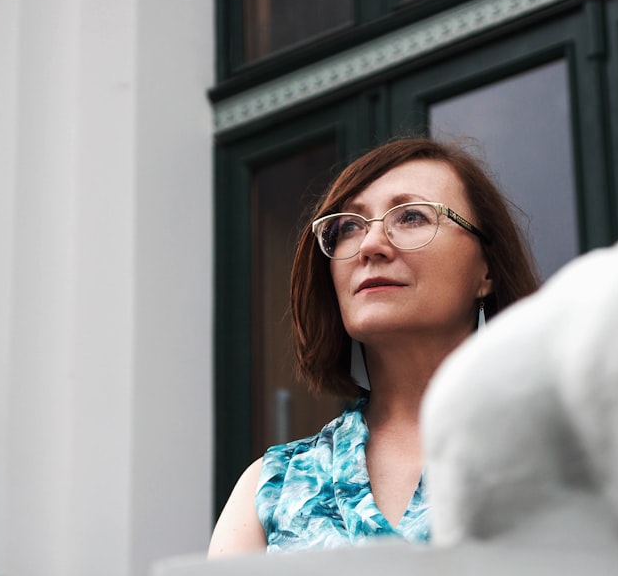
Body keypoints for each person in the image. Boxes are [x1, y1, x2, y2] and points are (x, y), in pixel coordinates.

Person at [208, 137, 539, 555]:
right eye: (349, 227)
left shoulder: (567, 449)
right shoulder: (271, 489)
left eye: (413, 217)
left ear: (486, 269)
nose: (369, 246)